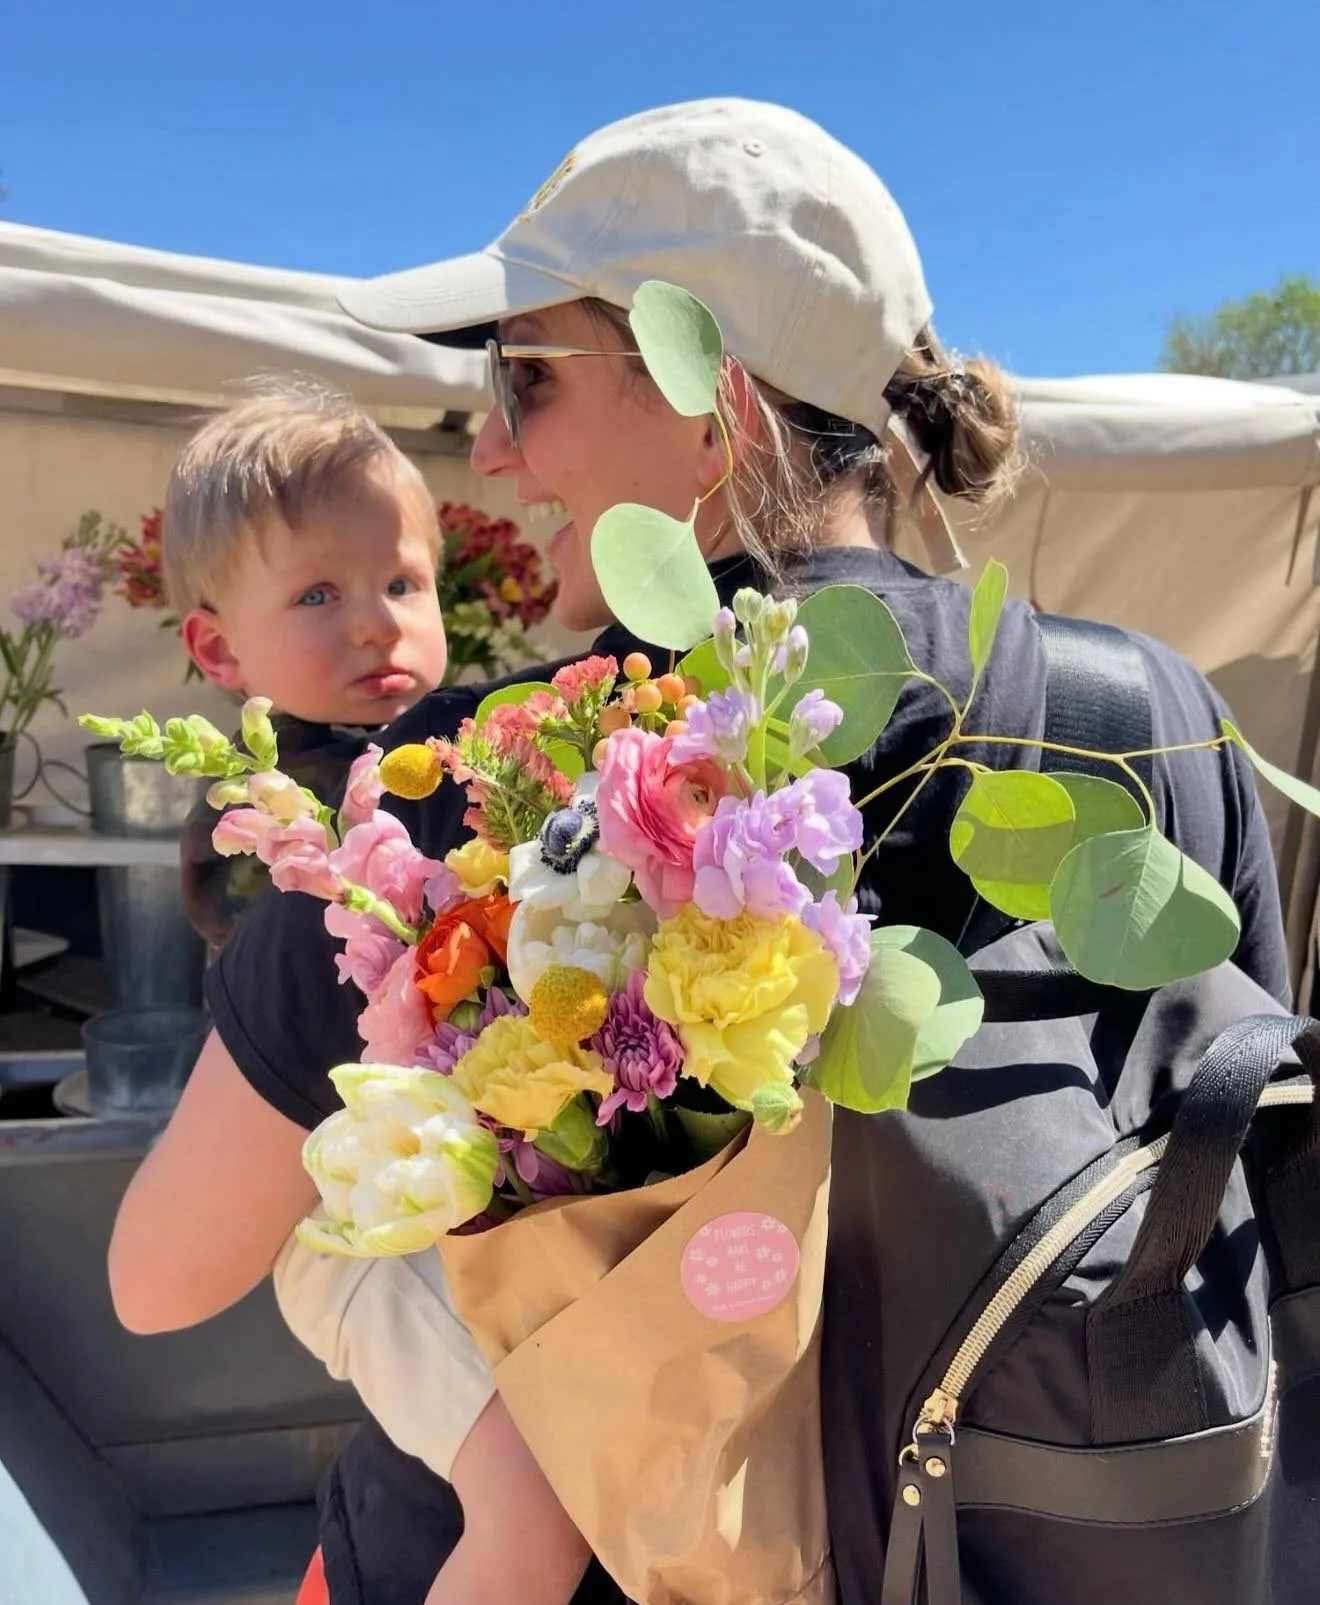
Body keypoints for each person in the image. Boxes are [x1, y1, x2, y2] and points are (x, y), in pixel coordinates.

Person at [107, 98, 1290, 1605]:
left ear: (711, 397)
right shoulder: (1151, 714)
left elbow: (160, 1278)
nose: (493, 443)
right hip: (1046, 1547)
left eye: (525, 375)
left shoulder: (493, 785)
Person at [150, 380, 591, 1605]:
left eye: (402, 585)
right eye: (317, 596)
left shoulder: (444, 763)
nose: (376, 627)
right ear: (218, 650)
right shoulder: (266, 816)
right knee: (527, 1508)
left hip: (436, 1194)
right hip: (343, 1239)